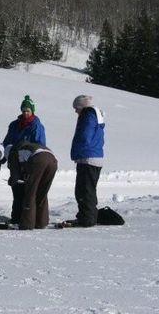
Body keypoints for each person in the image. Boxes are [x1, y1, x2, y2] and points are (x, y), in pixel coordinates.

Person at [2, 94, 47, 224]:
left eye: (28, 111)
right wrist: (2, 158)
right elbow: (7, 141)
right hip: (15, 162)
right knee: (16, 188)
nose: (25, 113)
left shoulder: (36, 126)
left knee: (29, 190)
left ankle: (28, 216)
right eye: (23, 110)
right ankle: (16, 216)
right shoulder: (14, 125)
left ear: (32, 111)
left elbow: (39, 145)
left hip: (29, 163)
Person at [69, 95, 105, 227]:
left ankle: (87, 219)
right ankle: (87, 216)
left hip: (88, 158)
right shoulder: (96, 115)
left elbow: (85, 135)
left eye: (77, 108)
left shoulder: (88, 115)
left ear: (82, 107)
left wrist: (79, 151)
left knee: (84, 190)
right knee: (87, 190)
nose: (76, 111)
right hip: (94, 157)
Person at [6, 141, 57, 230]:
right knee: (42, 193)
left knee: (30, 193)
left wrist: (11, 181)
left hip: (38, 160)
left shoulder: (13, 152)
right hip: (52, 160)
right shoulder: (25, 146)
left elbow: (15, 175)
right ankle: (41, 222)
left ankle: (27, 223)